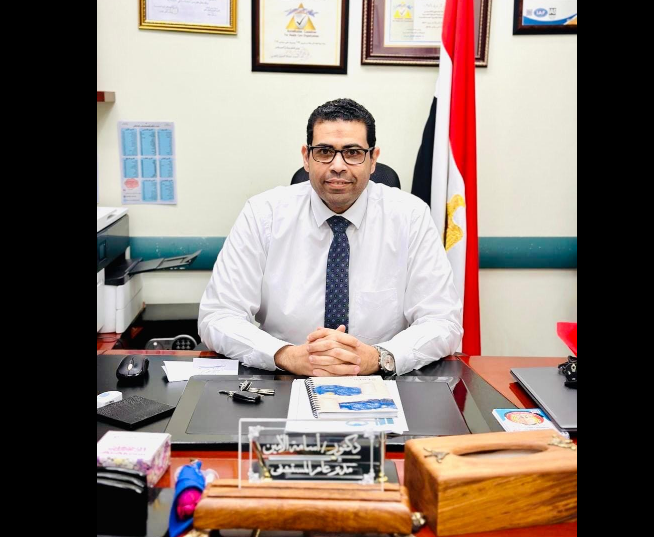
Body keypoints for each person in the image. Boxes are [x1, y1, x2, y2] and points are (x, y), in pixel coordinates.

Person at [199, 98, 462, 377]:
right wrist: (286, 355)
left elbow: (442, 321)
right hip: (283, 377)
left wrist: (379, 357)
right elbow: (218, 315)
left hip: (381, 377)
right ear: (306, 157)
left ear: (373, 159)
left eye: (353, 152)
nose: (338, 165)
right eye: (324, 151)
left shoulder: (411, 216)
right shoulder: (264, 214)